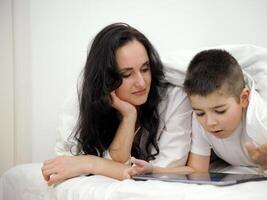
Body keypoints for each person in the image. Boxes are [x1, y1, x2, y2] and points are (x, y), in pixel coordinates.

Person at [41, 22, 193, 186]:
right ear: (106, 79)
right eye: (126, 74)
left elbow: (160, 170)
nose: (141, 83)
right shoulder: (81, 96)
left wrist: (91, 163)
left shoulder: (174, 96)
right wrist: (129, 116)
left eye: (145, 69)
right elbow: (65, 161)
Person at [128, 49, 267, 176]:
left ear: (244, 98)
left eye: (220, 111)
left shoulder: (263, 121)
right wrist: (154, 170)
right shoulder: (200, 122)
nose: (210, 122)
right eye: (200, 113)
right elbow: (197, 170)